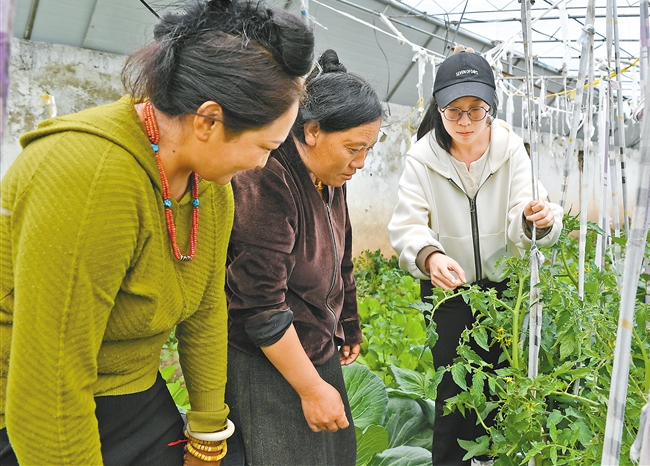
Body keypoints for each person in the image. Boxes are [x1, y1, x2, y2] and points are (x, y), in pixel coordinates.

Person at [0, 0, 314, 466]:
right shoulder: (92, 177)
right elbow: (50, 384)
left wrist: (208, 435)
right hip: (29, 415)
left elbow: (206, 309)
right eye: (265, 146)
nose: (263, 164)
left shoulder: (210, 186)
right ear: (209, 120)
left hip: (132, 391)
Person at [388, 49, 564, 466]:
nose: (465, 121)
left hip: (505, 290)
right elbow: (408, 225)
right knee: (454, 390)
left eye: (475, 110)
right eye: (454, 111)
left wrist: (537, 220)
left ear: (491, 108)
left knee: (505, 384)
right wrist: (431, 257)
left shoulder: (511, 151)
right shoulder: (422, 159)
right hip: (449, 289)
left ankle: (499, 458)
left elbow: (529, 210)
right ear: (439, 109)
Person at [224, 49, 382, 466]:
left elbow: (342, 256)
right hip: (270, 362)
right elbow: (260, 307)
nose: (360, 163)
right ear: (312, 131)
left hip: (316, 346)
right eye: (354, 148)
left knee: (333, 455)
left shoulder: (330, 176)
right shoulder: (267, 178)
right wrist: (311, 389)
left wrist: (348, 322)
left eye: (368, 149)